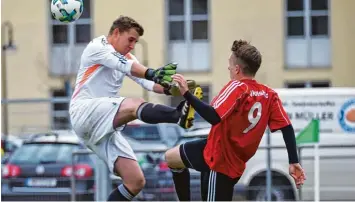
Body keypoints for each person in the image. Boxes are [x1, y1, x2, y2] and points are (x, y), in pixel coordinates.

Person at [69, 15, 197, 201]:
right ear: (116, 32)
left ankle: (179, 114)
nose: (132, 45)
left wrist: (174, 88)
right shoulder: (97, 47)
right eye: (130, 40)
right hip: (84, 111)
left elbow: (149, 82)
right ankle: (178, 116)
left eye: (135, 42)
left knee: (135, 181)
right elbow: (129, 67)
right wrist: (152, 73)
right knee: (133, 104)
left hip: (101, 125)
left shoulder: (127, 56)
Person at [164, 40, 307, 201]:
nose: (228, 68)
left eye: (230, 64)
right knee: (171, 158)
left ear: (237, 69)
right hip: (220, 152)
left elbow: (213, 117)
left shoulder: (237, 87)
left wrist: (187, 94)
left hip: (220, 160)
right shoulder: (269, 94)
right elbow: (287, 128)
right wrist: (293, 161)